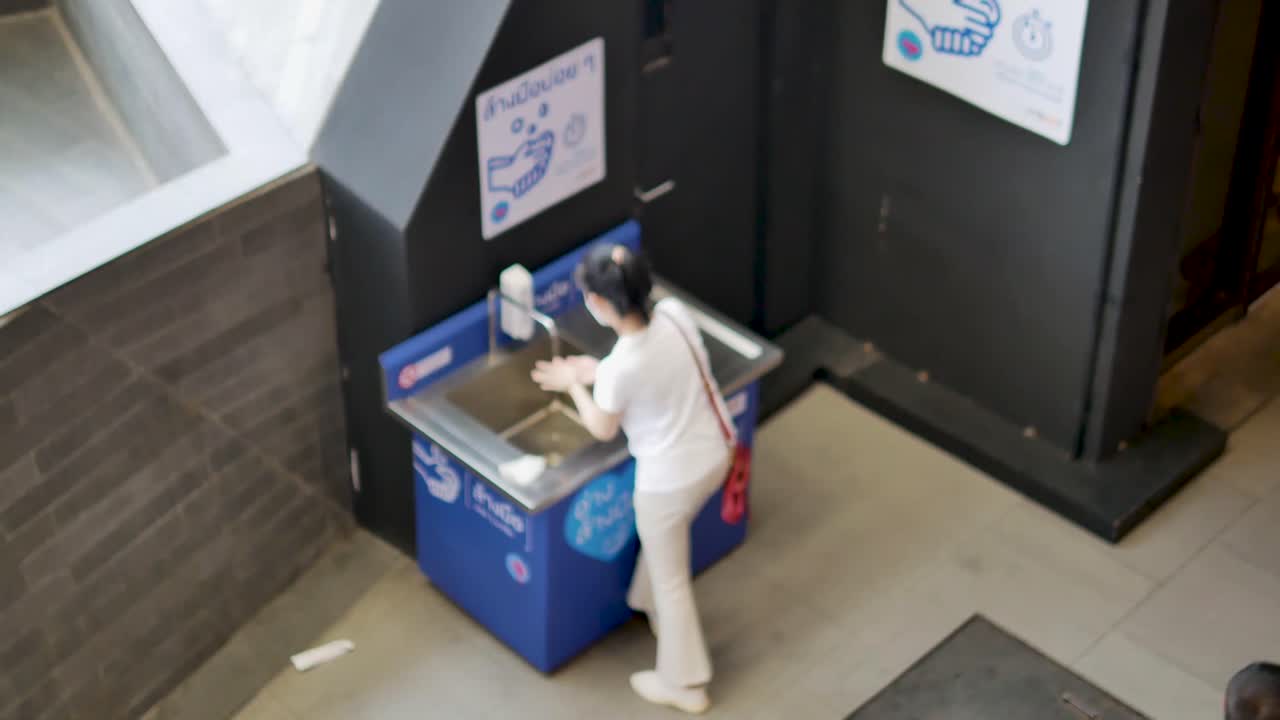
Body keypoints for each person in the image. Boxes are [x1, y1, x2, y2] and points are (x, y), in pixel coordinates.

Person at [531, 243, 733, 715]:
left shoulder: (620, 367)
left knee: (674, 584)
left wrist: (575, 383)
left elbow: (602, 426)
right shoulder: (675, 315)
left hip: (667, 484)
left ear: (600, 304)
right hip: (714, 458)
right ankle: (647, 600)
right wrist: (595, 372)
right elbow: (652, 371)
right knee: (665, 557)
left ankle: (685, 684)